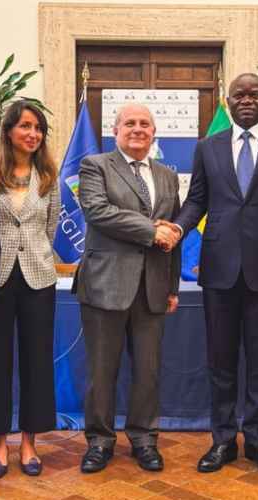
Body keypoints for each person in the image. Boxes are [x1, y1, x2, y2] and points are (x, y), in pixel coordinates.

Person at [164, 73, 258, 476]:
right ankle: (223, 440)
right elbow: (197, 201)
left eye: (254, 94)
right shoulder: (207, 147)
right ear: (228, 102)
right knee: (221, 360)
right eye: (239, 95)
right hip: (219, 270)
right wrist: (177, 228)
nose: (247, 100)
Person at [73, 103, 182, 474]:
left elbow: (174, 235)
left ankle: (144, 439)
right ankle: (100, 441)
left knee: (148, 371)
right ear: (115, 130)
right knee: (102, 370)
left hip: (152, 286)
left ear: (154, 133)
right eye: (130, 123)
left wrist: (172, 286)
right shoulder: (95, 166)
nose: (138, 129)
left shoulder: (168, 175)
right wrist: (151, 230)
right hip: (106, 284)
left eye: (145, 124)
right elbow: (97, 212)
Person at [0, 101, 59, 478]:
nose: (32, 134)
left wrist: (37, 257)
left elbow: (50, 230)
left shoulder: (49, 178)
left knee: (36, 361)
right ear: (8, 131)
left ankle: (28, 443)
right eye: (25, 126)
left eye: (38, 128)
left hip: (38, 279)